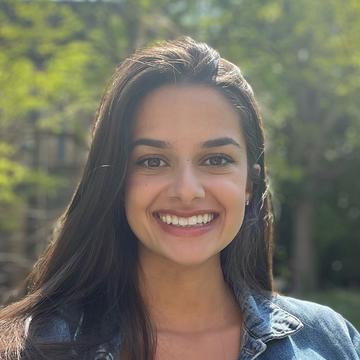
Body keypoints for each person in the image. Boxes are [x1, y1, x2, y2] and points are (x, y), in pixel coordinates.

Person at [0, 37, 359, 360]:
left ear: (250, 182)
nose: (187, 191)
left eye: (216, 160)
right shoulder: (26, 349)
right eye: (152, 161)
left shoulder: (329, 342)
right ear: (115, 180)